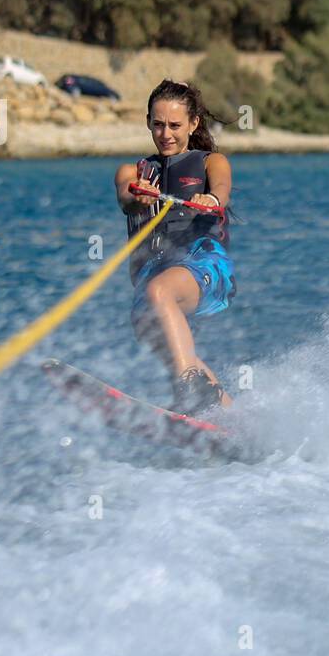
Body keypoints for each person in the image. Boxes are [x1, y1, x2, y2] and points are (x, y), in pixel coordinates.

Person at [115, 80, 236, 415]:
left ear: (194, 123)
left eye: (174, 125)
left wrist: (211, 198)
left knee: (159, 294)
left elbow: (222, 189)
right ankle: (231, 417)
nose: (165, 133)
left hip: (203, 267)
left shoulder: (211, 163)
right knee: (156, 333)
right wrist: (136, 195)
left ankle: (187, 389)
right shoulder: (131, 172)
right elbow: (126, 199)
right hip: (154, 274)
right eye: (157, 124)